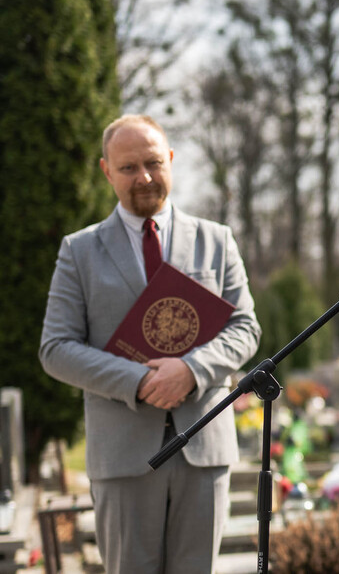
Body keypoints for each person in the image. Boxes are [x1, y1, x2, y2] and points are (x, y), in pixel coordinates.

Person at [40, 114, 261, 574]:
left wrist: (192, 370)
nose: (143, 177)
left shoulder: (216, 241)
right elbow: (56, 347)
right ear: (105, 170)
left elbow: (245, 328)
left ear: (171, 161)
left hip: (203, 446)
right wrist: (139, 380)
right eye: (127, 168)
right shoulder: (78, 251)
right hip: (122, 454)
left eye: (153, 163)